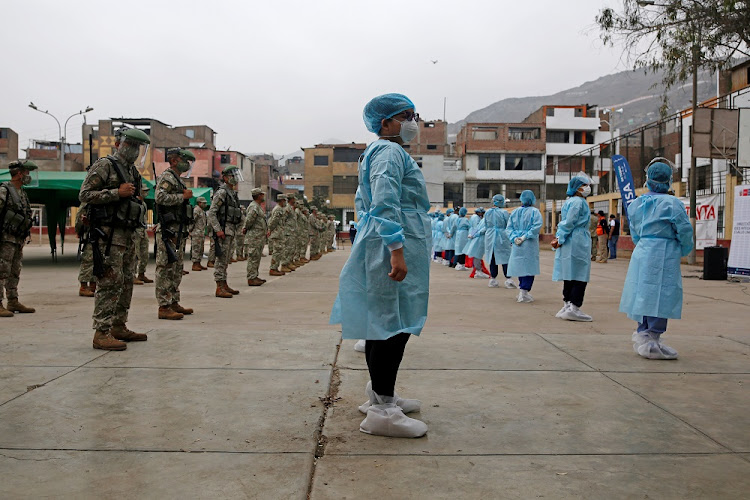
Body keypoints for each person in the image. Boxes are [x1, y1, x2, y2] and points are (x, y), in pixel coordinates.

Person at [331, 93, 429, 438]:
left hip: (387, 240)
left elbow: (368, 201)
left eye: (414, 115)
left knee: (384, 321)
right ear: (385, 122)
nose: (413, 122)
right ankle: (382, 411)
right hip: (393, 242)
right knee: (392, 325)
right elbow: (386, 200)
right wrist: (397, 249)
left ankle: (380, 393)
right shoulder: (388, 152)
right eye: (406, 116)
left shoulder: (381, 152)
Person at [79, 128, 150, 349]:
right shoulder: (105, 165)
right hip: (109, 236)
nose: (135, 151)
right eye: (132, 146)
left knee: (126, 281)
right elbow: (84, 195)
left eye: (139, 147)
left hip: (127, 235)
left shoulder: (132, 172)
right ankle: (101, 332)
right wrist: (115, 193)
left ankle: (119, 325)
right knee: (109, 282)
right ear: (121, 144)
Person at [620, 161, 693, 360]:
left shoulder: (636, 204)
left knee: (643, 292)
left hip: (643, 250)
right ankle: (652, 337)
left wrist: (643, 242)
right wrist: (685, 248)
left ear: (648, 180)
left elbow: (634, 230)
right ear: (668, 180)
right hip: (664, 251)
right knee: (661, 293)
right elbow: (684, 230)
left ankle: (643, 333)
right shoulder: (672, 203)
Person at [155, 148, 196, 319]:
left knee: (176, 268)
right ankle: (164, 306)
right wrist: (182, 197)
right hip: (168, 229)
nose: (186, 164)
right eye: (183, 160)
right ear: (173, 160)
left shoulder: (177, 179)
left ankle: (173, 301)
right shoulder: (167, 177)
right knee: (165, 268)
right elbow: (159, 197)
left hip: (178, 230)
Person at [551, 174, 594, 321]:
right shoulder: (579, 203)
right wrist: (560, 238)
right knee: (580, 274)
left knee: (569, 273)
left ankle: (567, 304)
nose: (587, 188)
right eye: (584, 185)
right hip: (577, 240)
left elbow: (564, 223)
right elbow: (570, 222)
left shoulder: (569, 202)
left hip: (569, 239)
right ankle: (574, 307)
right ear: (577, 188)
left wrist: (559, 237)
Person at [0, 159, 38, 317]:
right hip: (5, 238)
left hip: (17, 238)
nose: (29, 176)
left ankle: (13, 300)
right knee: (2, 270)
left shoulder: (21, 192)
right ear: (20, 174)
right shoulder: (4, 190)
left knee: (15, 270)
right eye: (27, 172)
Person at [208, 165, 243, 298]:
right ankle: (219, 286)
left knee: (226, 259)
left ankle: (224, 284)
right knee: (221, 260)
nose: (235, 179)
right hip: (223, 231)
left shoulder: (232, 193)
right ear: (226, 177)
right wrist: (218, 230)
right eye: (232, 176)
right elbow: (211, 212)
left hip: (230, 230)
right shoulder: (222, 192)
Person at [506, 190, 542, 303]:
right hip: (528, 243)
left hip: (517, 243)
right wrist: (525, 237)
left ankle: (522, 290)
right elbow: (536, 227)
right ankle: (524, 292)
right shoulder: (535, 212)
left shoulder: (515, 212)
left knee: (520, 266)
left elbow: (509, 228)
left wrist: (514, 238)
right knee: (529, 267)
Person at [484, 194, 514, 288]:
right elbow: (508, 225)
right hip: (502, 236)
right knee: (505, 258)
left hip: (490, 236)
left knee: (492, 258)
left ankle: (493, 279)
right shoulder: (504, 212)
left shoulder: (487, 212)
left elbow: (485, 224)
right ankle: (508, 279)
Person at [243, 188, 268, 286]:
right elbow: (249, 220)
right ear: (258, 196)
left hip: (258, 237)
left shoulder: (257, 206)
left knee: (256, 257)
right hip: (254, 237)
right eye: (262, 195)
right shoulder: (254, 207)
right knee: (253, 257)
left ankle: (254, 276)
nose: (263, 196)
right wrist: (245, 227)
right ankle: (251, 278)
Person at [133, 182, 153, 285]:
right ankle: (133, 275)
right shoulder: (134, 203)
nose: (146, 193)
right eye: (144, 191)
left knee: (144, 254)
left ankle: (141, 273)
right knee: (135, 254)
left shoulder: (144, 204)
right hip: (135, 231)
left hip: (143, 230)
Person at [465, 208, 489, 278]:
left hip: (476, 237)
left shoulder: (478, 219)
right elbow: (480, 229)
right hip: (479, 238)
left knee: (476, 255)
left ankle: (478, 270)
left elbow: (475, 228)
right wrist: (474, 234)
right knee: (477, 255)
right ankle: (478, 271)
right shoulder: (480, 219)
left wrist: (472, 234)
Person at [268, 194, 288, 275]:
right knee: (277, 251)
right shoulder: (278, 209)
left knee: (279, 251)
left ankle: (275, 268)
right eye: (284, 200)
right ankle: (273, 269)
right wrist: (270, 229)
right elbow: (273, 221)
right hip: (277, 233)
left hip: (279, 233)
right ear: (281, 201)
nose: (285, 202)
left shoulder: (280, 209)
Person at [190, 198, 208, 271]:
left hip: (201, 232)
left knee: (200, 249)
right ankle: (195, 264)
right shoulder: (196, 210)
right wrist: (190, 230)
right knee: (196, 249)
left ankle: (198, 263)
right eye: (203, 203)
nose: (205, 204)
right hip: (196, 232)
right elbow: (192, 221)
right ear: (199, 203)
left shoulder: (202, 211)